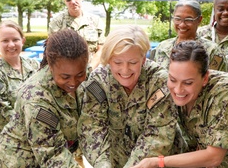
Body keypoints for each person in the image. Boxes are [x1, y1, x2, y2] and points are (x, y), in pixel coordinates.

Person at [78, 25, 183, 168]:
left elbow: (158, 135)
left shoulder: (159, 81)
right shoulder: (99, 81)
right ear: (109, 60)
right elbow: (92, 128)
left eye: (133, 63)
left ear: (143, 59)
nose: (125, 70)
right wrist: (103, 165)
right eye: (118, 62)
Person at [0, 29, 88, 167]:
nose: (74, 82)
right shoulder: (36, 98)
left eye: (80, 74)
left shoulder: (78, 68)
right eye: (65, 77)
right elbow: (53, 155)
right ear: (50, 66)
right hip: (24, 161)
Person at [0, 20, 40, 167]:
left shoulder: (34, 65)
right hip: (9, 144)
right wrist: (35, 130)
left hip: (35, 139)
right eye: (5, 40)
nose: (11, 45)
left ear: (23, 40)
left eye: (15, 39)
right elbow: (2, 113)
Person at [153, 0, 225, 71]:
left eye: (188, 20)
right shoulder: (162, 47)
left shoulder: (212, 50)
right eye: (178, 19)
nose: (182, 25)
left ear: (199, 20)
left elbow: (217, 80)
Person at [48, 0, 105, 70]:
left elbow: (101, 49)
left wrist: (89, 69)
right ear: (64, 1)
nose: (73, 2)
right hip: (67, 74)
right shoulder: (56, 23)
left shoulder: (96, 21)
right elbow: (52, 52)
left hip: (92, 73)